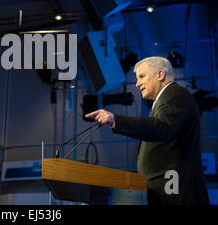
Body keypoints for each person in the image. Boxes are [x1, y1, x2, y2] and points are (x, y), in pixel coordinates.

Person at [85, 56, 210, 205]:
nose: (137, 84)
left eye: (142, 76)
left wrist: (115, 120)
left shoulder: (176, 95)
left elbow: (161, 128)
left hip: (175, 187)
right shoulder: (166, 99)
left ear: (160, 74)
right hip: (167, 187)